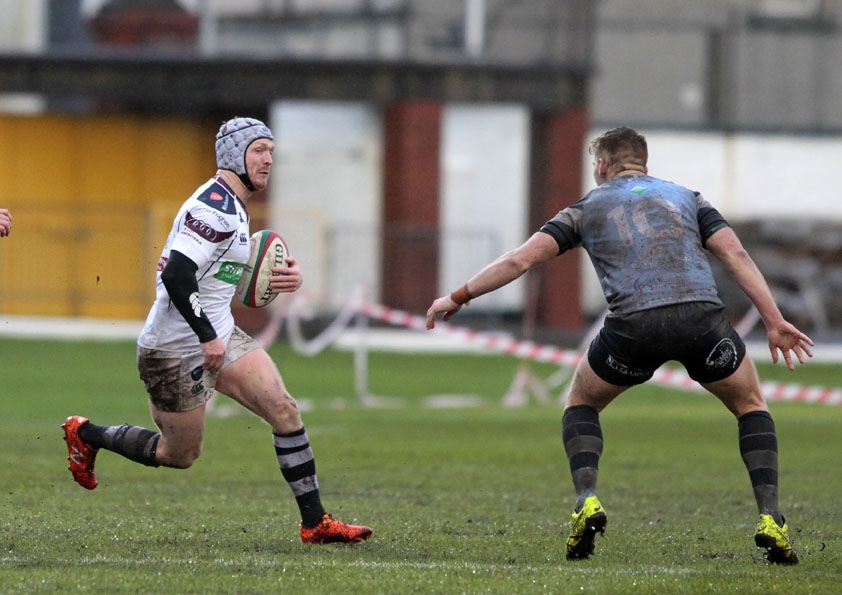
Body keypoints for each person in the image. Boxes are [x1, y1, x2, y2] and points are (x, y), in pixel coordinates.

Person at [426, 126, 812, 564]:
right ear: (644, 163)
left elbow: (519, 260)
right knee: (751, 405)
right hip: (702, 323)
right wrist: (774, 320)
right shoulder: (689, 199)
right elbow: (735, 255)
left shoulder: (584, 208)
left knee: (581, 402)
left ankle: (586, 500)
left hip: (634, 329)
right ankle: (770, 518)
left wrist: (458, 296)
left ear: (603, 165)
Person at [63, 117, 373, 545]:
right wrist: (206, 336)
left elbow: (224, 272)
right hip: (173, 348)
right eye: (259, 150)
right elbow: (177, 274)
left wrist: (284, 277)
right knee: (180, 454)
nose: (268, 159)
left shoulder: (235, 206)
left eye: (271, 151)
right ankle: (86, 434)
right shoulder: (214, 208)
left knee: (285, 410)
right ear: (233, 154)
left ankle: (315, 522)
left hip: (219, 333)